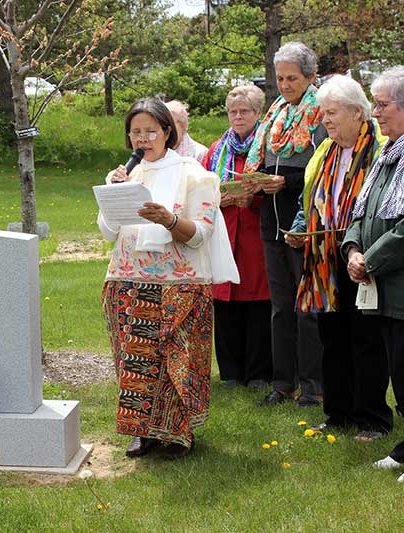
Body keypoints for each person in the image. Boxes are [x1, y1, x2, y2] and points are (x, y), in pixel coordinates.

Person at [99, 97, 238, 459]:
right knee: (135, 360)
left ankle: (178, 432)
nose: (143, 139)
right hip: (127, 279)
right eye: (135, 133)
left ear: (167, 132)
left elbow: (200, 234)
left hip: (180, 283)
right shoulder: (126, 174)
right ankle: (142, 431)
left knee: (178, 359)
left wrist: (169, 220)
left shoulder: (195, 174)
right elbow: (108, 231)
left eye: (150, 131)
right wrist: (113, 192)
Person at [287, 75, 391, 442]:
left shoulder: (380, 148)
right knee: (331, 336)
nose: (325, 120)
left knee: (366, 338)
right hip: (323, 255)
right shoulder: (326, 149)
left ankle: (373, 418)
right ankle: (339, 413)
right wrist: (301, 228)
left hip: (363, 252)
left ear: (356, 112)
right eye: (322, 113)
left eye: (331, 113)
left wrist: (359, 248)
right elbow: (311, 196)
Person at [244, 41, 326, 407]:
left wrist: (287, 183)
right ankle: (282, 383)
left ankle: (313, 386)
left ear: (310, 76)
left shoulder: (320, 112)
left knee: (306, 308)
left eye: (293, 77)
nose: (286, 85)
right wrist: (253, 181)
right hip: (271, 220)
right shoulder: (275, 113)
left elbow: (322, 169)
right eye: (280, 78)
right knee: (280, 308)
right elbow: (265, 163)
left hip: (303, 220)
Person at [342, 67, 404, 475]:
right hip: (384, 286)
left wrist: (372, 258)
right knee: (398, 371)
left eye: (381, 104)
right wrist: (352, 249)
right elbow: (360, 213)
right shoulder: (387, 155)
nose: (375, 112)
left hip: (397, 283)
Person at [201, 85, 272, 390]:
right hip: (225, 232)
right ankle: (230, 372)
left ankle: (258, 373)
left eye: (245, 111)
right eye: (233, 111)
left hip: (256, 234)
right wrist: (222, 198)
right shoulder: (217, 149)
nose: (238, 116)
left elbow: (276, 187)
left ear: (258, 113)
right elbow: (202, 190)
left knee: (258, 303)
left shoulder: (269, 146)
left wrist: (253, 197)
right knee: (225, 301)